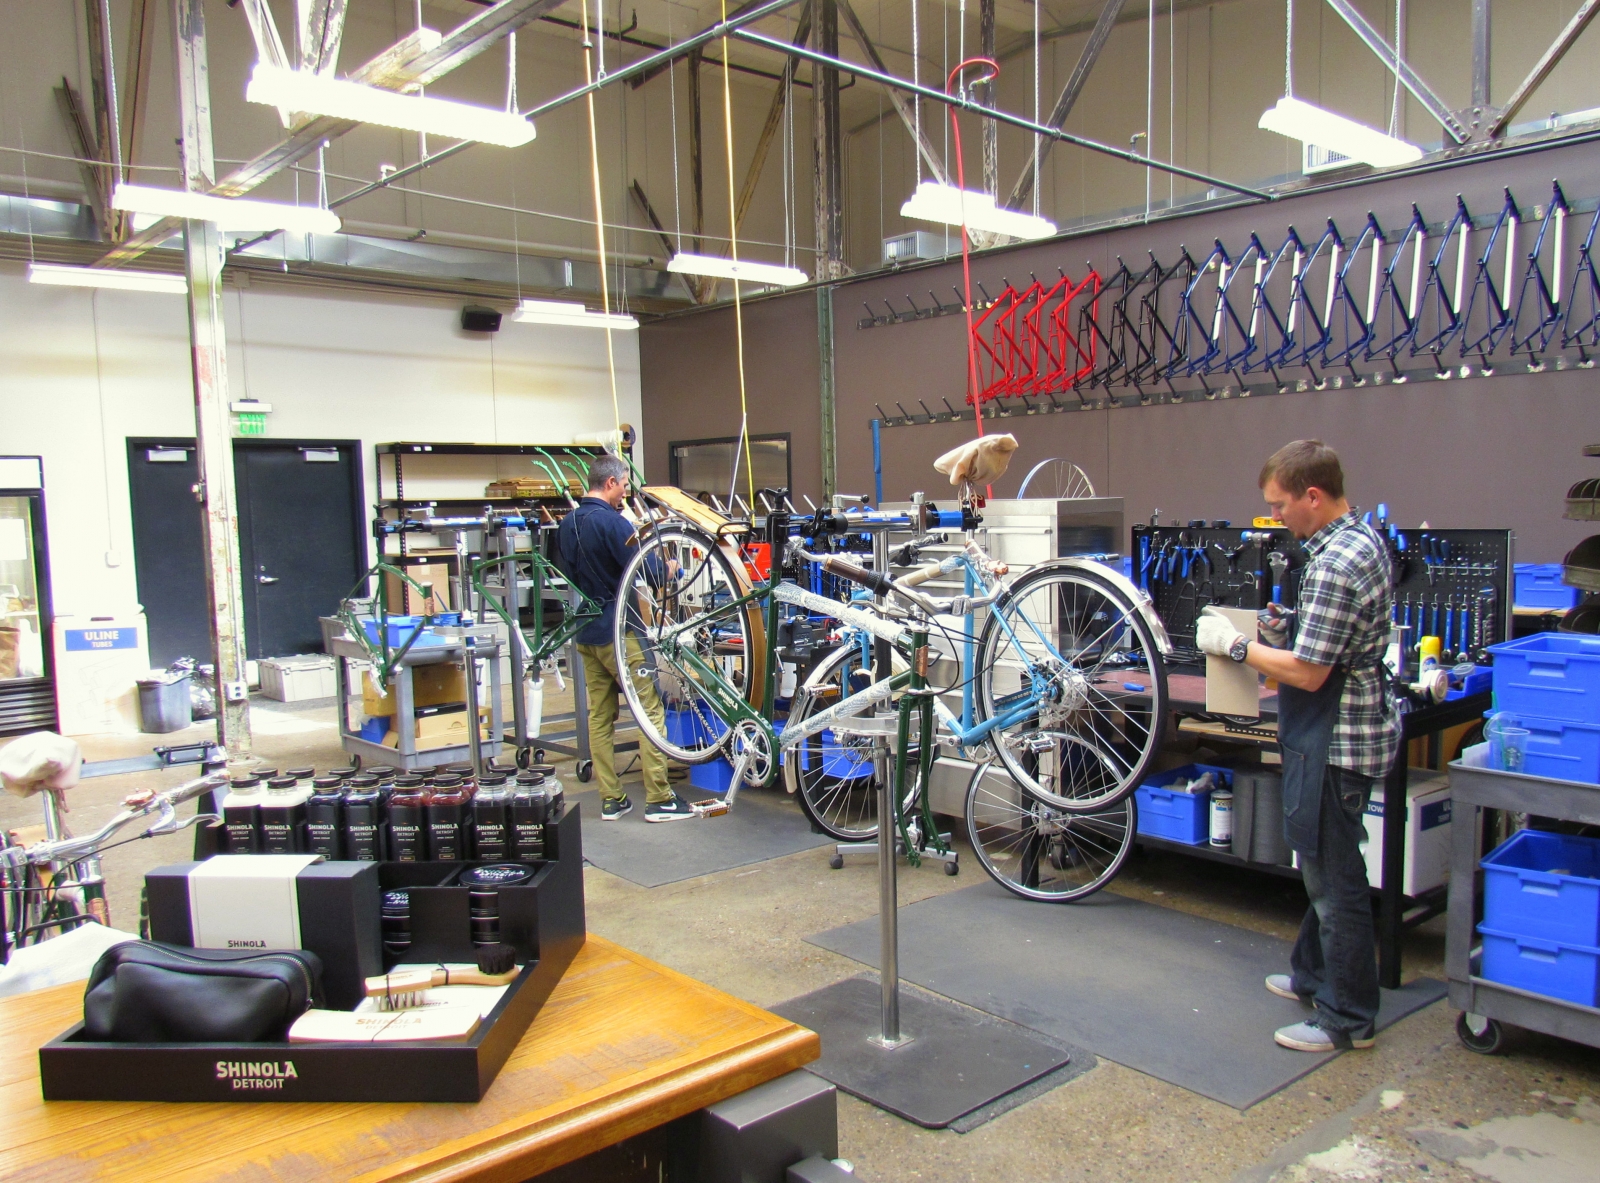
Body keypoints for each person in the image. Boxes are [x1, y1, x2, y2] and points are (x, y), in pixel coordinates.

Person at [1196, 440, 1399, 1053]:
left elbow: (1310, 673)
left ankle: (1347, 1018)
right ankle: (1314, 975)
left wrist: (1235, 645)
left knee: (1335, 881)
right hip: (1335, 733)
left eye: (1281, 506)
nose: (1275, 517)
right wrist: (1287, 628)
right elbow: (1323, 646)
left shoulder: (1337, 562)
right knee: (1321, 866)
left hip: (1336, 741)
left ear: (1314, 495)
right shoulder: (1353, 543)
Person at [557, 454, 694, 822]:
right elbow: (648, 571)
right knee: (649, 710)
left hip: (584, 632)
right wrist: (671, 567)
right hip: (621, 634)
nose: (625, 494)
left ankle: (611, 799)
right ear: (611, 483)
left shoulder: (567, 525)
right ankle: (659, 798)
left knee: (600, 717)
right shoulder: (615, 523)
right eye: (623, 486)